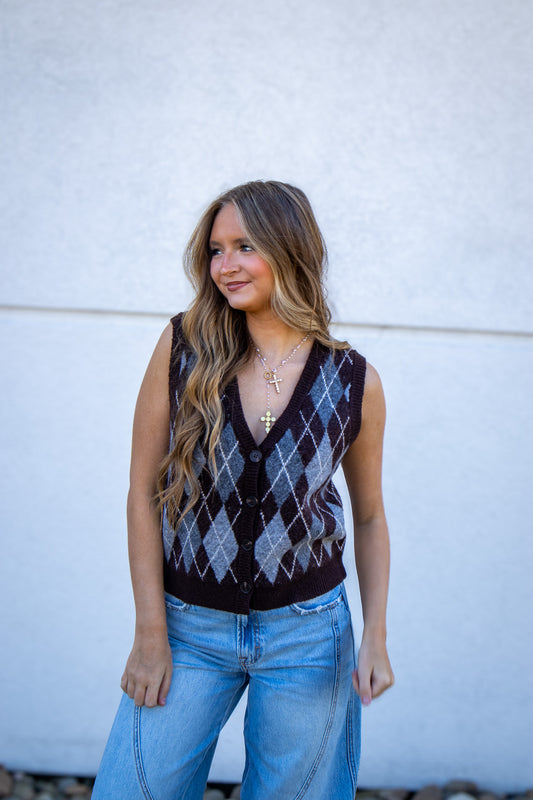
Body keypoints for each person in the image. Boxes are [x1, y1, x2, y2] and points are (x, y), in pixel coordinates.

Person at [92, 180, 394, 800]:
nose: (224, 266)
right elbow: (142, 493)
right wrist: (151, 634)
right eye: (215, 250)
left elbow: (367, 517)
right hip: (188, 628)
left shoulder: (353, 380)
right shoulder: (184, 348)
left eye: (244, 246)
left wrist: (376, 637)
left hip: (308, 635)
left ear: (290, 249)